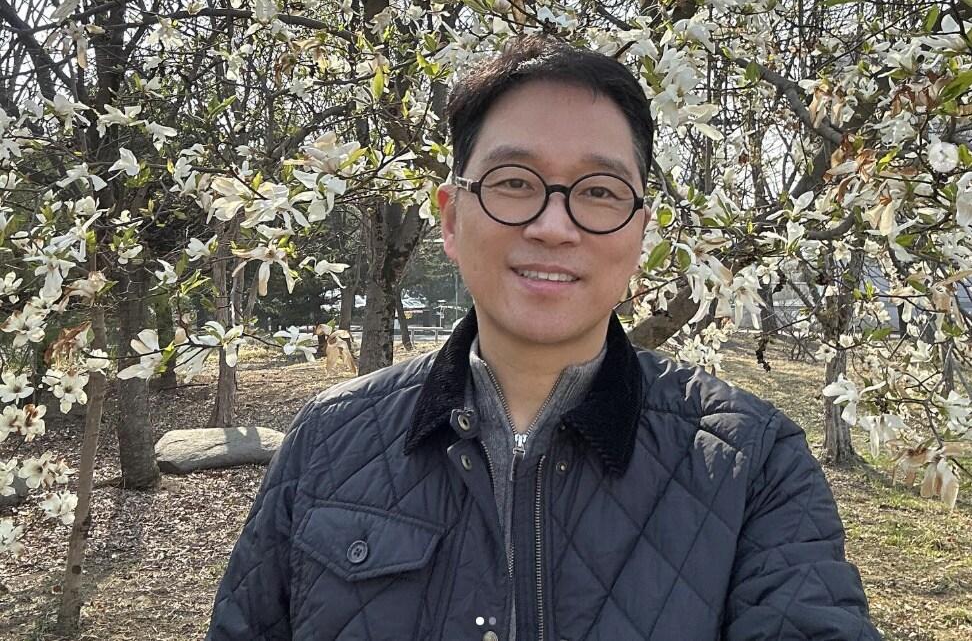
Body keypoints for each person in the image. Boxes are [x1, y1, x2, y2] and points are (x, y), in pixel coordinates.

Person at [206, 35, 881, 641]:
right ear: (451, 219)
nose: (554, 227)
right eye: (513, 182)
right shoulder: (329, 440)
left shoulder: (750, 463)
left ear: (640, 231)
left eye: (600, 191)